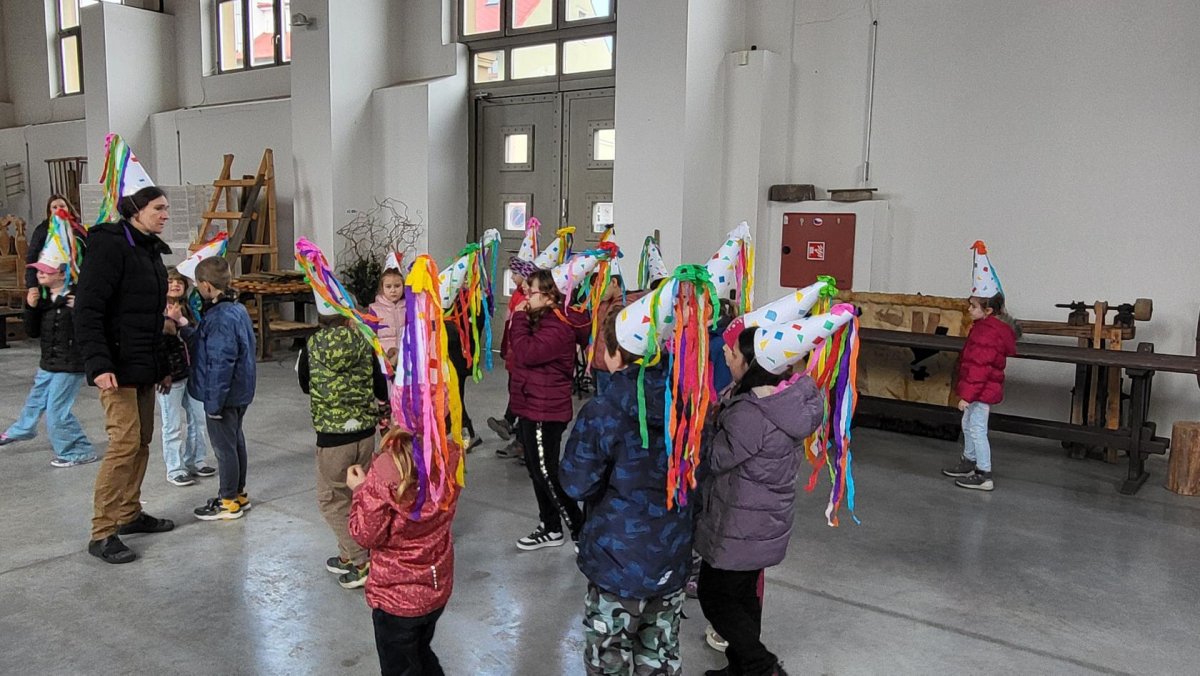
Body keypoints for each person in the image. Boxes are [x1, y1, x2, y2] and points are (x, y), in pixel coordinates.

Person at [560, 304, 693, 676]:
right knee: (660, 654)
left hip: (617, 562)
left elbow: (576, 482)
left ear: (614, 353)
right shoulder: (685, 402)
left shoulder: (603, 410)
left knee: (609, 657)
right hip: (672, 555)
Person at [695, 327, 824, 676]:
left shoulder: (750, 413)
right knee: (743, 596)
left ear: (753, 365)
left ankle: (762, 666)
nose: (727, 355)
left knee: (714, 597)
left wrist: (706, 424)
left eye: (734, 353)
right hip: (763, 521)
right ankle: (741, 667)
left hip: (738, 523)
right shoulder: (784, 399)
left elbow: (717, 458)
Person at [75, 186, 176, 564]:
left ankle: (129, 513)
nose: (165, 215)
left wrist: (162, 366)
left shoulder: (149, 249)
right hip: (116, 367)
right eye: (159, 208)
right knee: (124, 444)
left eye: (166, 208)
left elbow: (151, 316)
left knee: (142, 441)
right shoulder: (109, 246)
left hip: (143, 365)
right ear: (136, 210)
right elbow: (88, 310)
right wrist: (98, 364)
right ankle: (102, 531)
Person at [348, 429, 462, 676]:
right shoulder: (451, 454)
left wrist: (360, 490)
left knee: (401, 666)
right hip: (435, 588)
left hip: (396, 599)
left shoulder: (387, 468)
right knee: (420, 651)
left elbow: (366, 535)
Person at [298, 312, 389, 589]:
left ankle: (361, 561)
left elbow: (305, 385)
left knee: (332, 500)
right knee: (356, 494)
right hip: (364, 435)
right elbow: (381, 387)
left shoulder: (311, 345)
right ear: (349, 319)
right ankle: (348, 554)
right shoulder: (365, 342)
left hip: (333, 439)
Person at [506, 269, 588, 550]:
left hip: (545, 409)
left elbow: (528, 353)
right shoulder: (541, 319)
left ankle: (580, 530)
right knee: (535, 469)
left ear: (551, 295)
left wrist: (518, 318)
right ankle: (550, 527)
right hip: (531, 404)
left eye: (531, 292)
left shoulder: (558, 326)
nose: (526, 298)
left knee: (547, 473)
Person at [171, 256, 257, 521]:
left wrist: (214, 403)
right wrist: (184, 326)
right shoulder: (236, 309)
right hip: (240, 391)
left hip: (224, 395)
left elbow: (220, 361)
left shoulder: (220, 317)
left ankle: (228, 501)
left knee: (224, 448)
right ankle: (238, 494)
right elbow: (206, 343)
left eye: (198, 285)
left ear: (207, 286)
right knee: (235, 442)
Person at [0, 258, 96, 466]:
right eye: (39, 271)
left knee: (57, 410)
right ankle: (23, 429)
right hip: (49, 362)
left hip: (70, 364)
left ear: (62, 274)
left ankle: (79, 450)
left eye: (46, 270)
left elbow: (92, 327)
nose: (40, 274)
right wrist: (31, 307)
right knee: (36, 399)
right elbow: (32, 332)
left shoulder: (78, 297)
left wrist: (81, 308)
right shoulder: (44, 300)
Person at [941, 293, 1018, 491]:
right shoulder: (982, 328)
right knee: (968, 424)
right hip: (978, 389)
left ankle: (984, 473)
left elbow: (980, 368)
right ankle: (969, 461)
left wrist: (968, 396)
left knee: (977, 429)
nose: (969, 309)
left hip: (981, 391)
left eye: (974, 306)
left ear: (988, 311)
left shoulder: (988, 334)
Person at [158, 272, 214, 487]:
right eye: (170, 281)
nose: (175, 285)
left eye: (179, 282)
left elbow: (198, 336)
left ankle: (196, 460)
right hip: (170, 376)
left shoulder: (190, 308)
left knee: (198, 419)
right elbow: (158, 342)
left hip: (193, 373)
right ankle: (175, 469)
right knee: (171, 425)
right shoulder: (155, 310)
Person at [489, 257, 536, 460]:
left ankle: (521, 440)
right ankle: (514, 428)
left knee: (525, 400)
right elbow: (512, 328)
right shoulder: (518, 296)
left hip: (524, 362)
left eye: (517, 275)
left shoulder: (533, 306)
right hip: (515, 357)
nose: (516, 279)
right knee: (515, 392)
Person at [24, 194, 79, 308]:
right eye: (54, 207)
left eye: (62, 206)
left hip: (74, 282)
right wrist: (32, 286)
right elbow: (31, 258)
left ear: (68, 208)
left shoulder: (78, 230)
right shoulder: (42, 230)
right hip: (48, 282)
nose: (59, 209)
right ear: (49, 211)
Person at [370, 267, 406, 364]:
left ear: (403, 286)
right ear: (382, 288)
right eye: (388, 286)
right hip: (383, 360)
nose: (393, 290)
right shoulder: (375, 309)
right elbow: (370, 335)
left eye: (397, 286)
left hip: (406, 357)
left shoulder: (409, 307)